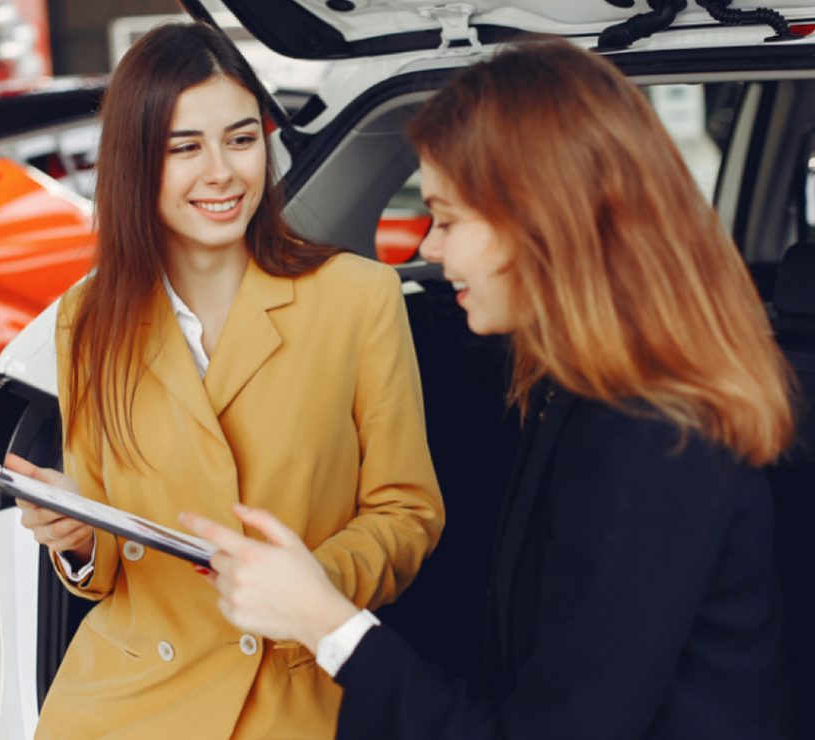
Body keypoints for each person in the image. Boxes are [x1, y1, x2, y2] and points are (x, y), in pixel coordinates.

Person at [181, 37, 797, 739]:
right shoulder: (581, 389)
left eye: (447, 220)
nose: (430, 251)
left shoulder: (651, 437)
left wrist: (324, 622)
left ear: (543, 223)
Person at [8, 21, 444, 739]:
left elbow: (408, 512)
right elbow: (110, 555)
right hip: (121, 699)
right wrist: (77, 539)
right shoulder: (87, 318)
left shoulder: (357, 297)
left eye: (241, 140)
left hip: (290, 691)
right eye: (185, 148)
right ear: (134, 162)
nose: (222, 172)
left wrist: (312, 586)